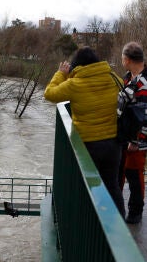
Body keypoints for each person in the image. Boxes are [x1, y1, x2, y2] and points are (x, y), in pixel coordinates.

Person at [44, 46, 126, 218]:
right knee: (111, 184)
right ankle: (119, 223)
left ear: (77, 65)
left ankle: (90, 221)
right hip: (113, 143)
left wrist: (61, 73)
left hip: (88, 145)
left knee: (86, 186)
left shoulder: (74, 84)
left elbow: (49, 94)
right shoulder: (113, 78)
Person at [118, 42, 147, 224]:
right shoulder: (130, 78)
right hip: (126, 137)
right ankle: (117, 207)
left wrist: (137, 140)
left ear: (127, 60)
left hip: (136, 140)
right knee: (121, 171)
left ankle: (135, 212)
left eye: (122, 58)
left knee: (134, 174)